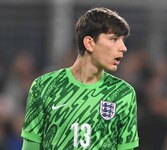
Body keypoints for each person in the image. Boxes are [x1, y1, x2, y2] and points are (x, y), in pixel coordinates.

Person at [21, 7, 139, 150]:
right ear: (89, 43)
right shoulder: (44, 87)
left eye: (123, 40)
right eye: (114, 39)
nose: (123, 48)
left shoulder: (123, 93)